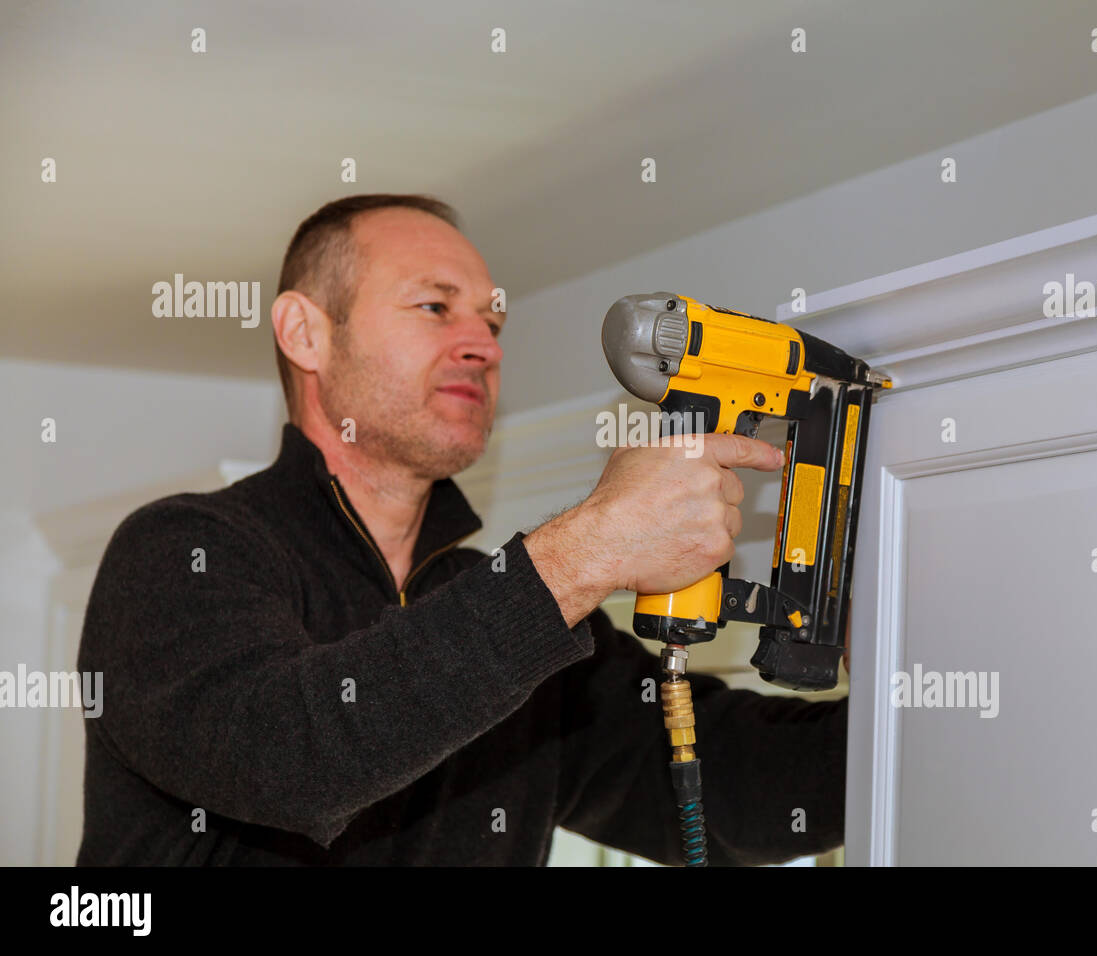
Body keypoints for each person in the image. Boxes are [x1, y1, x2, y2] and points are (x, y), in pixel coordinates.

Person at [76, 194, 848, 866]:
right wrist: (591, 547)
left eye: (491, 317)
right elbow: (296, 759)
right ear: (305, 333)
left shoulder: (503, 612)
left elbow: (742, 793)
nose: (484, 342)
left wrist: (908, 658)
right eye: (434, 306)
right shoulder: (183, 554)